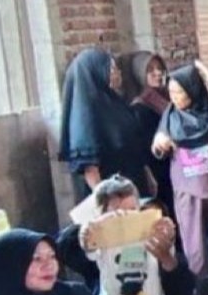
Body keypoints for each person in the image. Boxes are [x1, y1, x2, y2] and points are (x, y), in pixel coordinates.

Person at [151, 61, 208, 275]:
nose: (174, 98)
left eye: (179, 92)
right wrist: (160, 144)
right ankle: (201, 287)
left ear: (193, 90)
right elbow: (157, 144)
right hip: (189, 193)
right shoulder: (171, 118)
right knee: (196, 251)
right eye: (171, 92)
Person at [57, 47, 151, 200]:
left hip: (134, 185)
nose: (117, 73)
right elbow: (90, 169)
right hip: (114, 197)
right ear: (96, 72)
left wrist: (147, 174)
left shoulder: (113, 102)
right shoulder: (84, 119)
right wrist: (108, 202)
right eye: (111, 69)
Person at [120, 50, 175, 229]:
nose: (158, 73)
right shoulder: (140, 108)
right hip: (160, 170)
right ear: (139, 74)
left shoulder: (169, 96)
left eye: (160, 68)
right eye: (150, 70)